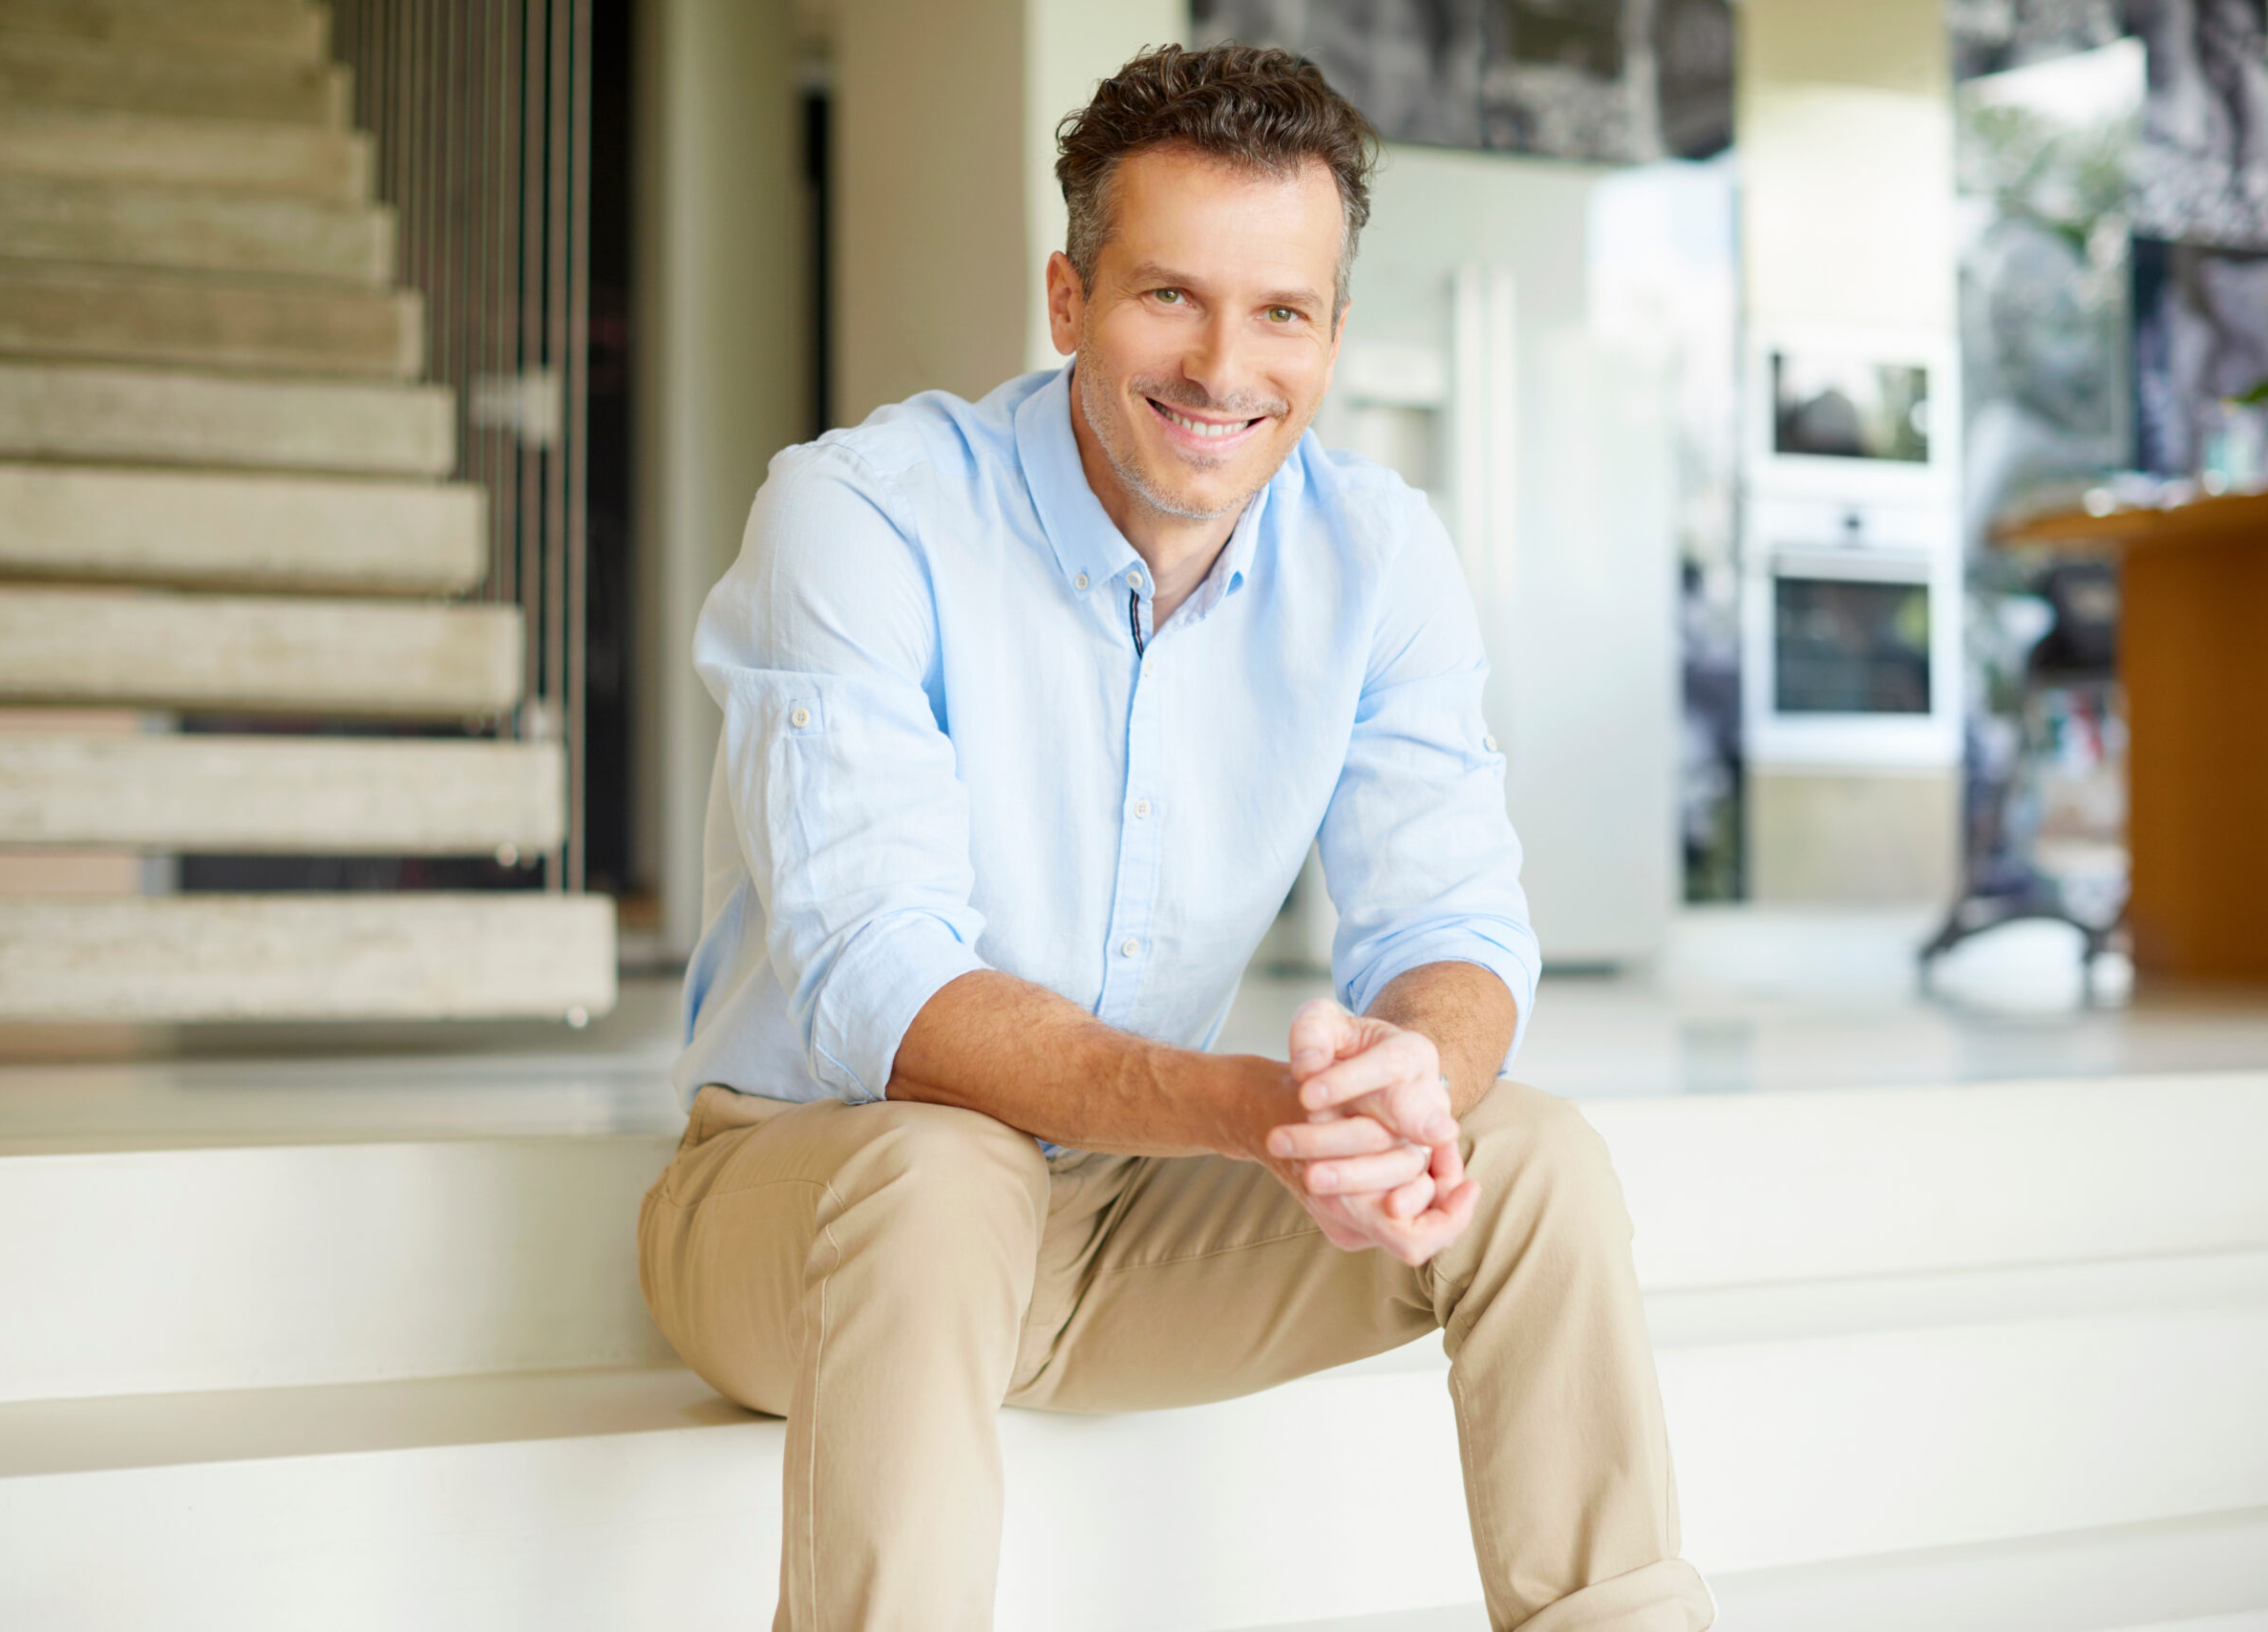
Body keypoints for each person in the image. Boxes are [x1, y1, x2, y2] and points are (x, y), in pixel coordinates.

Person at [639, 42, 1714, 1632]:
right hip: (813, 1205)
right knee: (944, 1172)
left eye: (1282, 310)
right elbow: (890, 991)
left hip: (1132, 1215)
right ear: (1069, 299)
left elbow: (1455, 926)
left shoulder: (1376, 551)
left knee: (1531, 1155)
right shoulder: (860, 513)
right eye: (1169, 297)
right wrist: (1258, 1109)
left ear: (1336, 336)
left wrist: (1406, 1080)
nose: (1226, 365)